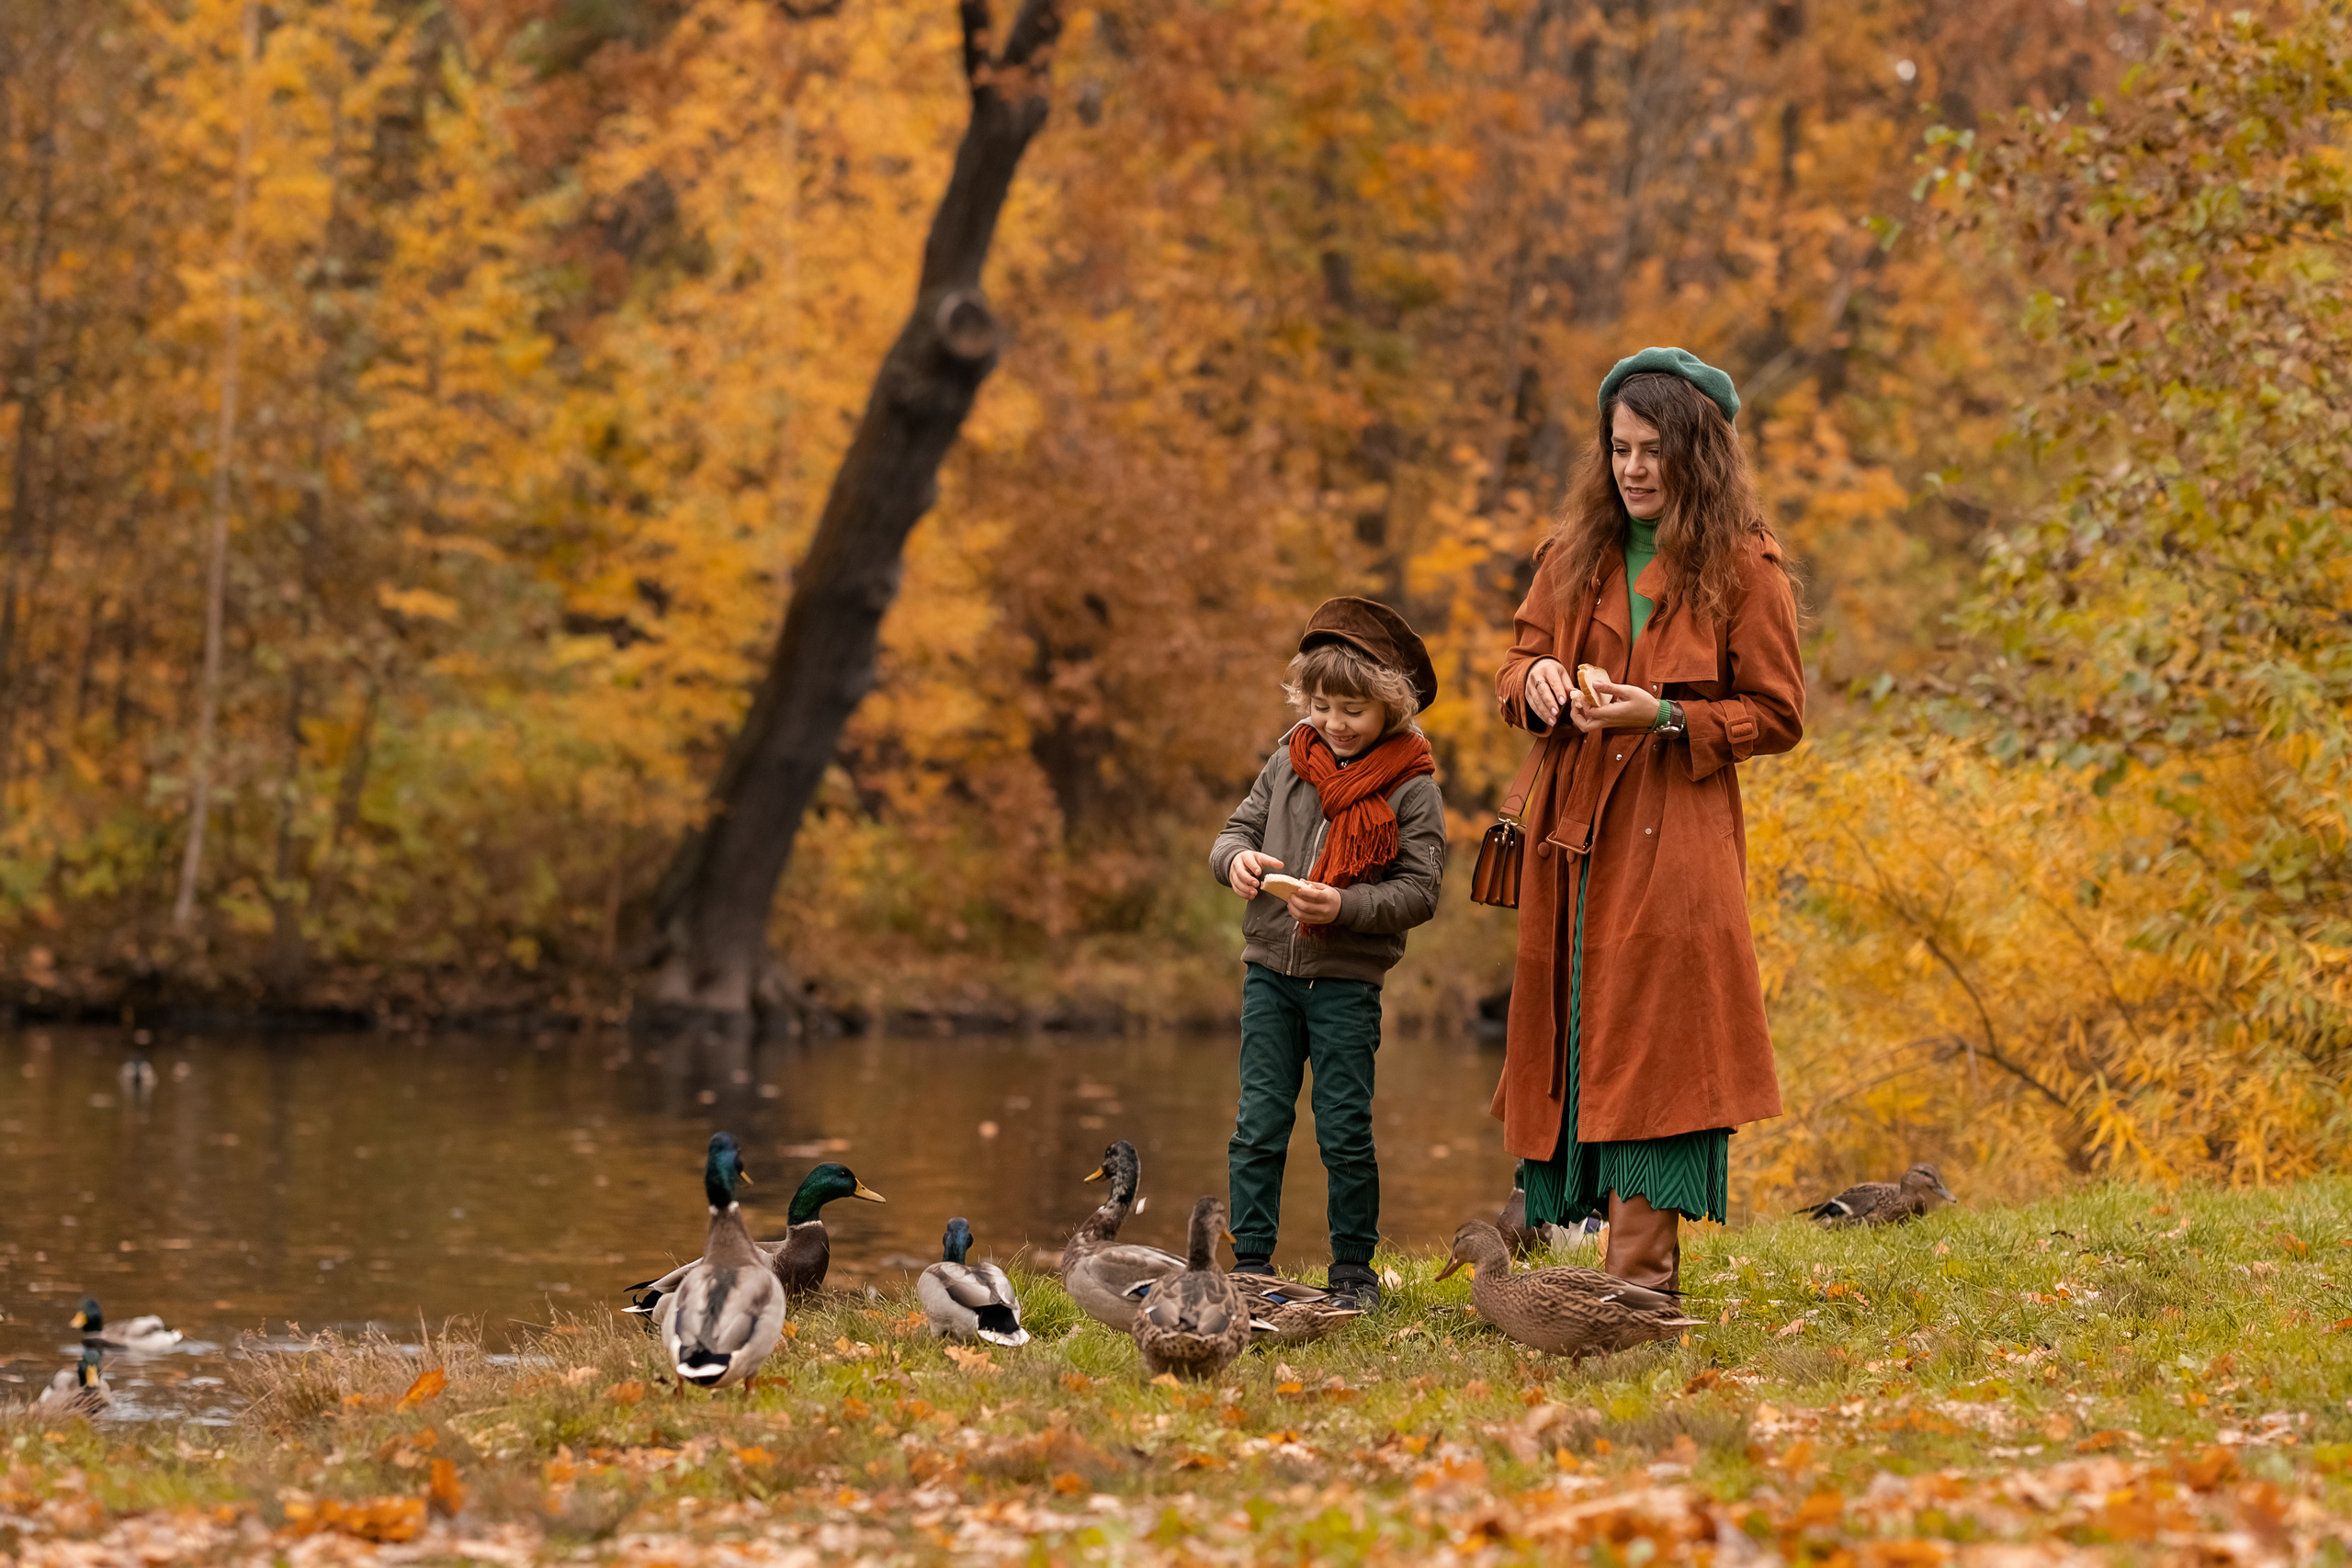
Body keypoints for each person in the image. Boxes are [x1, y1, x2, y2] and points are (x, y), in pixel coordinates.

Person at [1490, 346, 1804, 1293]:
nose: (1631, 468)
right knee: (1572, 1035)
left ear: (1696, 453)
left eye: (1652, 450)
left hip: (1676, 840)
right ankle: (1562, 1268)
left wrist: (1663, 715)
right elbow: (1511, 669)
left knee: (1655, 1047)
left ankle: (1635, 1288)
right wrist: (1534, 682)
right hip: (1571, 842)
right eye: (1619, 448)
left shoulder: (1746, 569)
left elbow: (1779, 715)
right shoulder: (1572, 556)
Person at [1209, 598, 1448, 1308]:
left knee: (1344, 1126)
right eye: (1322, 705)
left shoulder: (1414, 787)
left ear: (1391, 709)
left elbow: (1419, 891)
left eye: (1353, 709)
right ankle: (1251, 1263)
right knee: (1259, 1121)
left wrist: (1344, 906)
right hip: (1269, 973)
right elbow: (1232, 833)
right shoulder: (1288, 760)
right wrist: (1239, 864)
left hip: (1345, 981)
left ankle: (1352, 1269)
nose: (1335, 724)